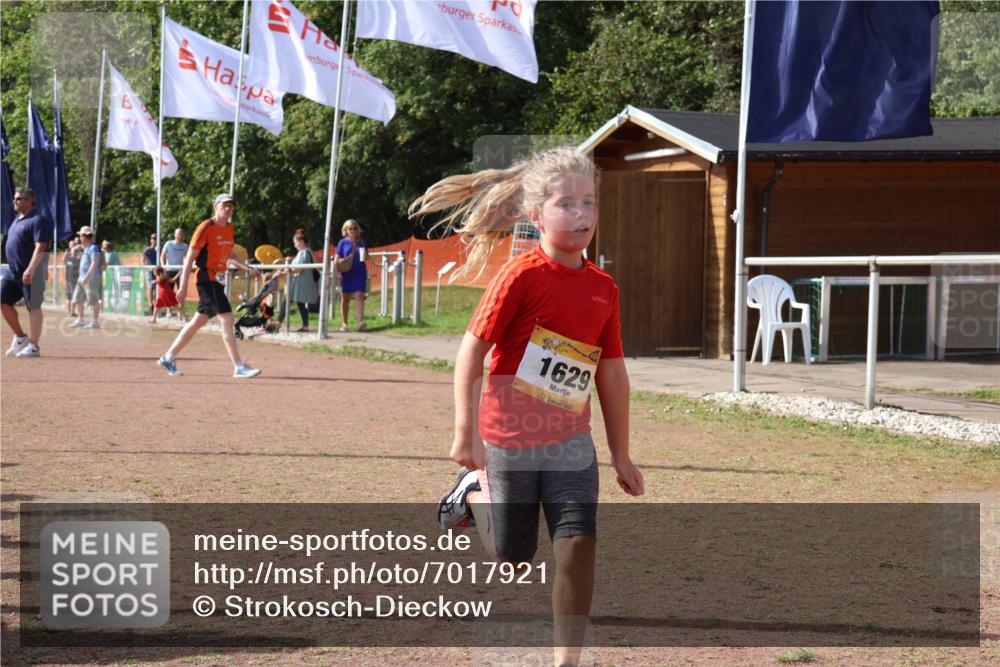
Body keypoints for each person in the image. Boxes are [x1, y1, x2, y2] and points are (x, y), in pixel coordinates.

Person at [410, 148, 644, 667]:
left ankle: (567, 662)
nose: (581, 215)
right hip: (510, 440)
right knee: (514, 559)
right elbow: (471, 352)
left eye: (589, 203)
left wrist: (621, 453)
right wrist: (464, 434)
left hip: (571, 444)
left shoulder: (604, 290)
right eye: (566, 204)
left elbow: (610, 371)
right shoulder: (520, 275)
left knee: (578, 546)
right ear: (536, 214)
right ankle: (474, 497)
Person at [156, 193, 262, 379]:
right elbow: (190, 256)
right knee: (227, 319)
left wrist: (247, 268)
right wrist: (182, 286)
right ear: (215, 207)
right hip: (206, 277)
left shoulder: (229, 228)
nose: (228, 209)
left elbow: (230, 253)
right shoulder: (206, 227)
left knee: (199, 321)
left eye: (231, 206)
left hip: (217, 279)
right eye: (224, 205)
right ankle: (238, 366)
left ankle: (168, 356)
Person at [2, 188, 53, 358]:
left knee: (34, 307)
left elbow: (41, 246)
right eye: (16, 199)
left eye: (21, 199)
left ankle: (34, 345)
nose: (16, 201)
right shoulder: (17, 219)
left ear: (31, 201)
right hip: (13, 271)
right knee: (2, 299)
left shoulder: (38, 220)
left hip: (33, 271)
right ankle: (21, 337)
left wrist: (30, 269)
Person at [334, 219, 367, 332]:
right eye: (350, 228)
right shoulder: (342, 243)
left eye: (355, 228)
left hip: (360, 272)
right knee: (345, 298)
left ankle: (360, 322)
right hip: (347, 274)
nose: (353, 230)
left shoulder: (361, 242)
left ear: (358, 230)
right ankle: (344, 324)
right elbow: (337, 260)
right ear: (346, 230)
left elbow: (366, 257)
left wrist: (366, 255)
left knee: (359, 295)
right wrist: (338, 273)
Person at [70, 226, 104, 328]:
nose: (80, 237)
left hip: (91, 278)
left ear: (85, 236)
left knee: (93, 300)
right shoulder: (86, 248)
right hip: (82, 278)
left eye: (81, 235)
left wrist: (87, 277)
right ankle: (80, 319)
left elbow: (94, 263)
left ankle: (95, 321)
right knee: (78, 299)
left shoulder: (93, 248)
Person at [288, 229, 318, 332]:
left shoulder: (303, 253)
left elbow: (299, 268)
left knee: (290, 301)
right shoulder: (308, 251)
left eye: (295, 243)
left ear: (300, 241)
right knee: (300, 304)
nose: (295, 245)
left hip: (303, 283)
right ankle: (305, 325)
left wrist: (288, 271)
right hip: (303, 282)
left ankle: (278, 322)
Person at [64, 236, 82, 317]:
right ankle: (72, 312)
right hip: (73, 280)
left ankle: (69, 312)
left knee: (69, 297)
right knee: (75, 296)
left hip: (68, 280)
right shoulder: (77, 260)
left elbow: (65, 270)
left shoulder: (68, 259)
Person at [142, 232, 158, 314]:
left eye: (155, 238)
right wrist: (149, 268)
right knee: (150, 288)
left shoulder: (159, 249)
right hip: (149, 271)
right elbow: (143, 261)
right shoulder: (147, 250)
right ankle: (150, 306)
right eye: (153, 238)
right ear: (150, 240)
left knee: (156, 289)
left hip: (157, 271)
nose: (154, 240)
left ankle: (155, 305)